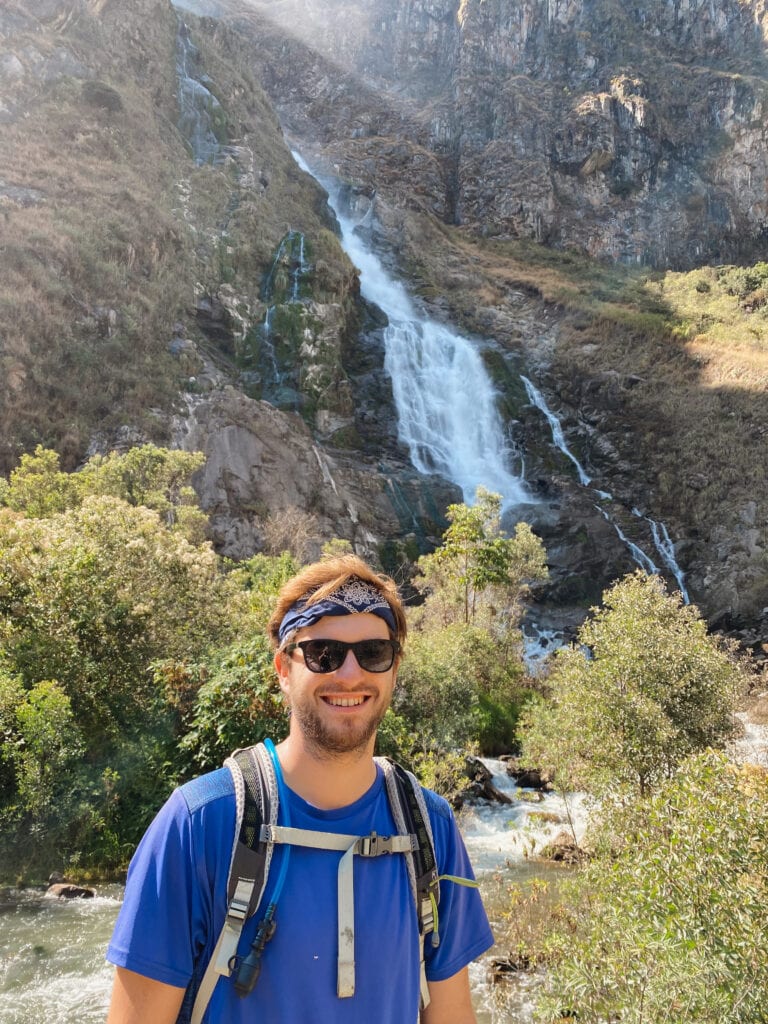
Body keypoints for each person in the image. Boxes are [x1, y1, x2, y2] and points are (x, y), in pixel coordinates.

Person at [106, 554, 494, 1023]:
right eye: (323, 654)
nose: (350, 674)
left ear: (394, 669)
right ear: (284, 671)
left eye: (373, 653)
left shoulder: (430, 827)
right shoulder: (198, 824)